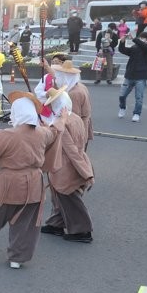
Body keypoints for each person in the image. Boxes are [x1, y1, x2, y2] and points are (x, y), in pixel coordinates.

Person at [0, 91, 60, 269]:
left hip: (10, 182)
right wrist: (60, 120)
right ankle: (17, 257)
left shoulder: (8, 134)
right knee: (26, 221)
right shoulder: (42, 133)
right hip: (34, 182)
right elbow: (54, 132)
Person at [40, 90, 94, 243]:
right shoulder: (75, 117)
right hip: (72, 165)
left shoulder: (61, 124)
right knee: (61, 199)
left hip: (65, 168)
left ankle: (83, 231)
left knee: (69, 200)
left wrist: (86, 172)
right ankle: (56, 224)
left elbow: (70, 150)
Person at [117, 32, 147, 122]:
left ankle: (136, 113)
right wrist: (122, 42)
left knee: (139, 97)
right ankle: (122, 107)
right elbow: (123, 50)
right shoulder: (135, 47)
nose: (141, 39)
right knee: (122, 95)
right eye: (140, 38)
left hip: (141, 77)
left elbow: (143, 46)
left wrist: (134, 39)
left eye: (143, 38)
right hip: (129, 75)